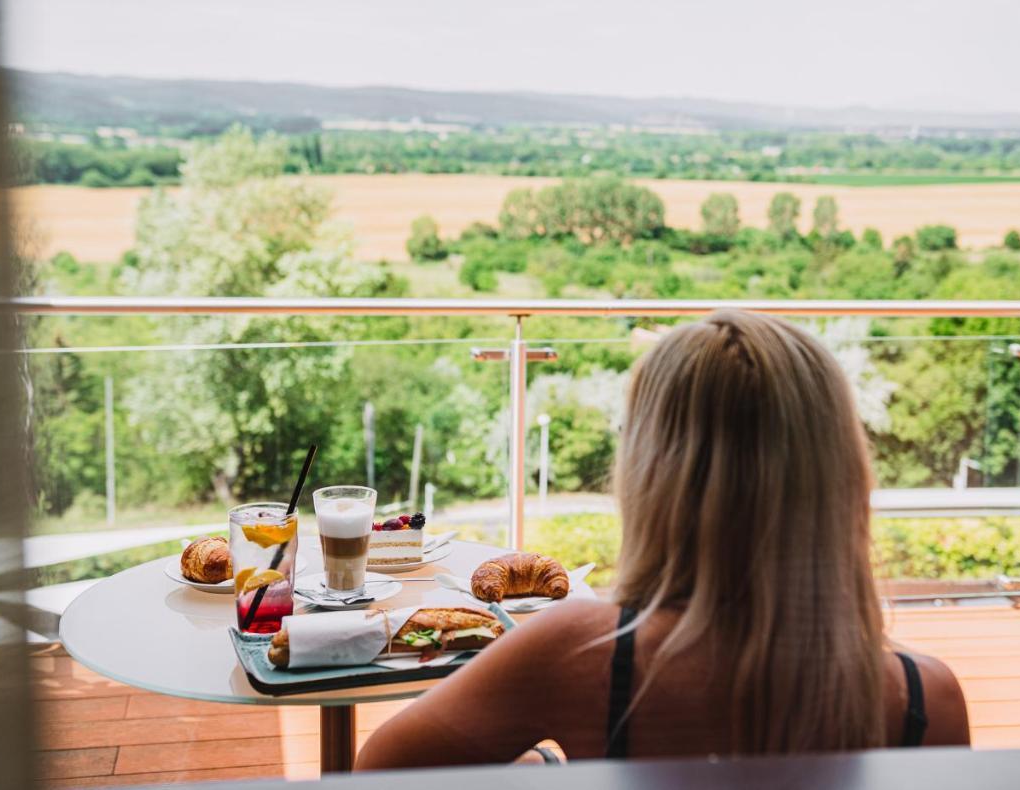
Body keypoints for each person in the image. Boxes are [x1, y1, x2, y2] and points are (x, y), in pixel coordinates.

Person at [357, 310, 969, 770]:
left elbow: (381, 770)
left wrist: (542, 769)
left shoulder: (577, 651)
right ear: (841, 475)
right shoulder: (924, 696)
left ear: (653, 475)